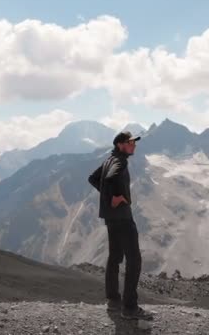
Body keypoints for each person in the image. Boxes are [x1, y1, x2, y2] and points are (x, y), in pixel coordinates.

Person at [88, 131, 154, 320]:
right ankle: (130, 307)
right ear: (120, 145)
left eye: (134, 142)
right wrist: (117, 197)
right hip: (123, 218)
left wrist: (107, 197)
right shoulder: (120, 161)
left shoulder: (110, 159)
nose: (134, 145)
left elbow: (93, 178)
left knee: (115, 256)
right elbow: (110, 178)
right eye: (130, 142)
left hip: (111, 218)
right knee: (134, 259)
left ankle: (113, 298)